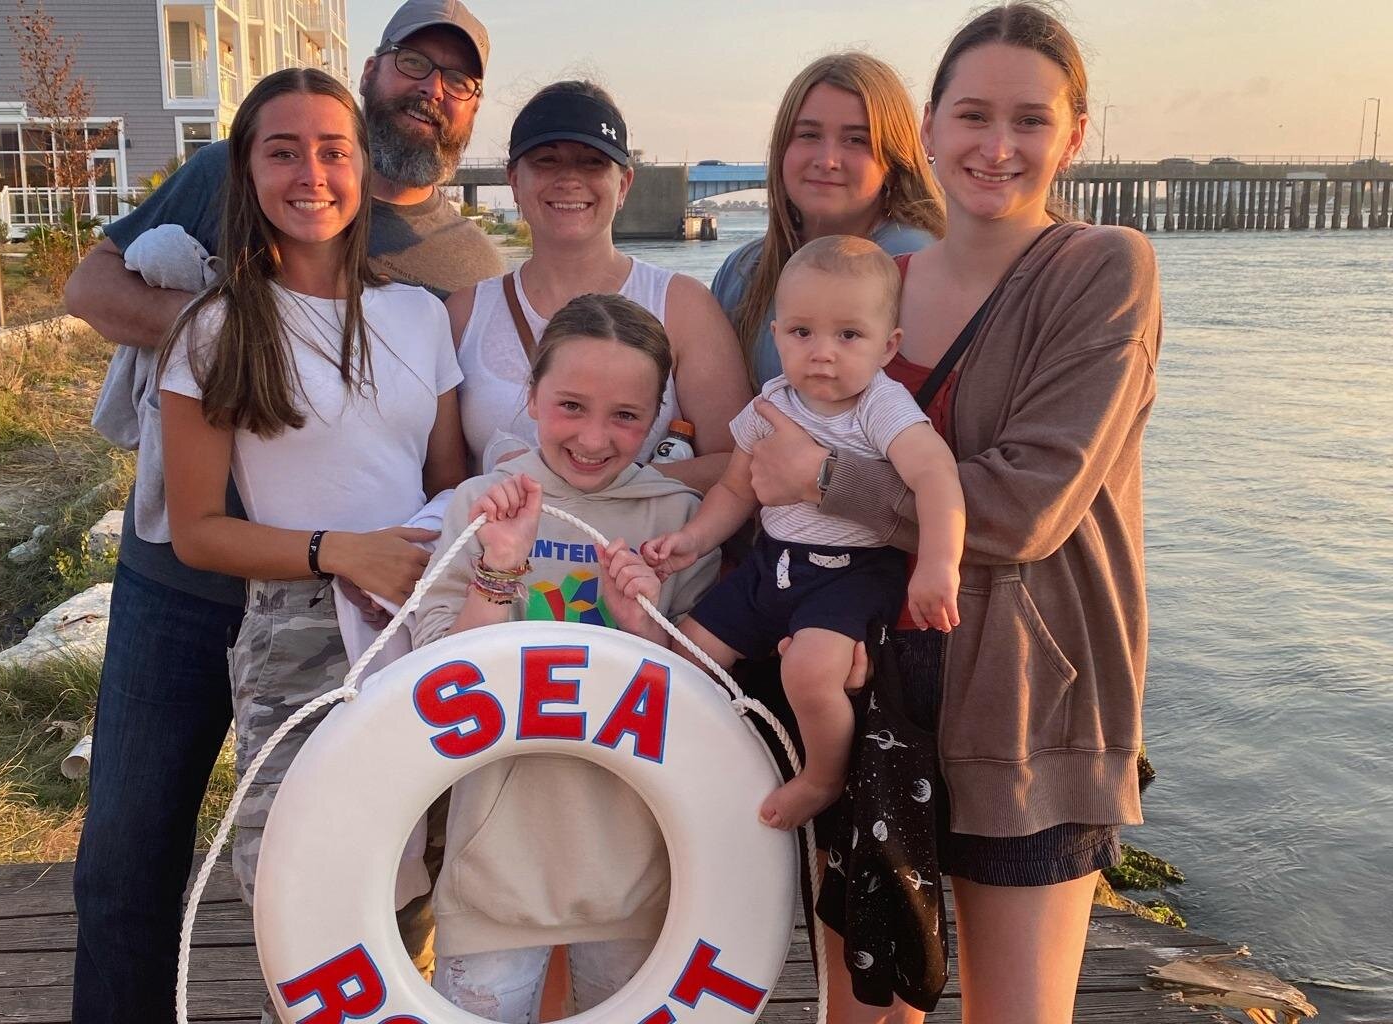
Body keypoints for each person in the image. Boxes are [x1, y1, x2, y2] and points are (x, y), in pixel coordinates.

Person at [61, 3, 498, 1019]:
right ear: (374, 70)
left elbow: (448, 470)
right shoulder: (229, 197)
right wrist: (244, 338)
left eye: (457, 78)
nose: (430, 89)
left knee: (380, 872)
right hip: (187, 587)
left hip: (368, 615)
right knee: (131, 857)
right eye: (412, 63)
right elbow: (91, 288)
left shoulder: (456, 278)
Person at [745, 6, 1163, 1022]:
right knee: (860, 1010)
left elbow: (1026, 507)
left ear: (1075, 134)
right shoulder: (871, 290)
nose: (997, 145)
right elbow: (767, 458)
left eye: (1031, 119)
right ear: (929, 127)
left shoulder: (1103, 270)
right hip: (872, 685)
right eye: (973, 114)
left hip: (1024, 706)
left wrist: (824, 480)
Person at [156, 62, 462, 916]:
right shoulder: (216, 328)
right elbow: (197, 531)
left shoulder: (420, 316)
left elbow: (447, 484)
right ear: (247, 171)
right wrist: (339, 552)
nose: (311, 175)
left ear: (363, 165)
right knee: (305, 893)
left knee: (421, 878)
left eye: (333, 151)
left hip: (419, 618)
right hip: (297, 631)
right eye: (283, 152)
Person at [412, 294, 720, 1022]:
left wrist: (640, 626)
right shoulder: (479, 505)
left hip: (636, 876)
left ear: (658, 416)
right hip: (494, 872)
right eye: (570, 406)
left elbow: (706, 706)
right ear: (531, 395)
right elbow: (434, 679)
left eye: (626, 415)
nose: (593, 437)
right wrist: (499, 568)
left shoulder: (678, 520)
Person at [642, 236, 964, 831]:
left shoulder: (880, 406)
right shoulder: (771, 404)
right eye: (802, 333)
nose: (822, 353)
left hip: (853, 574)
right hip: (773, 564)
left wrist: (938, 564)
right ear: (776, 335)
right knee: (686, 654)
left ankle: (821, 777)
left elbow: (936, 476)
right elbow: (735, 489)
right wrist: (695, 540)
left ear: (888, 346)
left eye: (849, 335)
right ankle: (688, 764)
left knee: (810, 671)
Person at [448, 80, 750, 492]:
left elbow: (736, 462)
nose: (569, 180)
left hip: (647, 537)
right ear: (514, 181)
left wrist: (603, 492)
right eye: (547, 161)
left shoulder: (683, 306)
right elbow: (444, 480)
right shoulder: (465, 314)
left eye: (592, 163)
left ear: (623, 184)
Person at [712, 53, 944, 388]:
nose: (827, 160)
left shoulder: (912, 263)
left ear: (894, 158)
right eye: (808, 135)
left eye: (856, 140)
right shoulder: (742, 270)